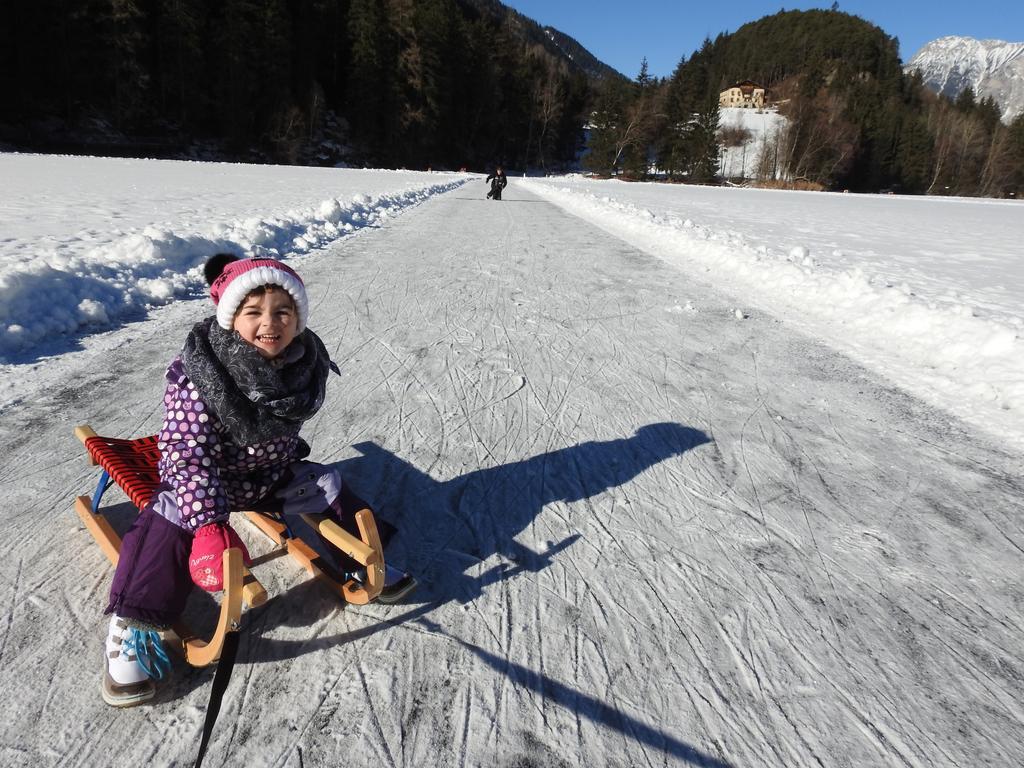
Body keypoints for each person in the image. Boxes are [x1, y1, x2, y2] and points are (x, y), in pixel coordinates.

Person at [101, 253, 416, 707]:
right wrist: (209, 526)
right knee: (164, 517)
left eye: (283, 312)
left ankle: (359, 560)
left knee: (325, 483)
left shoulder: (301, 365)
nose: (270, 324)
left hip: (266, 473)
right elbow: (188, 458)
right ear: (231, 317)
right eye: (253, 313)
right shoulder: (200, 373)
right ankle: (131, 622)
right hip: (204, 475)